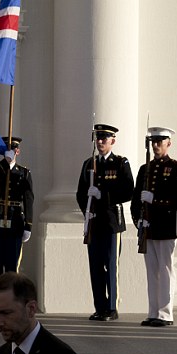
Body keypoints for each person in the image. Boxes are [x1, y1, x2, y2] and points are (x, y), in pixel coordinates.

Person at [129, 127, 177, 326]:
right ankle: (153, 312)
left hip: (166, 226)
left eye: (160, 141)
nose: (156, 145)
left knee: (165, 270)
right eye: (153, 141)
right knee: (152, 271)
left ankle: (165, 313)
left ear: (168, 143)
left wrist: (155, 200)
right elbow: (136, 199)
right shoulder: (144, 169)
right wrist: (138, 219)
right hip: (148, 227)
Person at [75, 123, 134, 321]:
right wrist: (87, 211)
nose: (100, 142)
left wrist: (104, 195)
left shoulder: (120, 163)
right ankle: (99, 306)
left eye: (104, 138)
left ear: (112, 141)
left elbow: (128, 190)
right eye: (98, 138)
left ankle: (112, 307)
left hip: (111, 222)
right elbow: (81, 192)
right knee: (95, 266)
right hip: (94, 222)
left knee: (111, 265)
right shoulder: (88, 164)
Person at [0, 136, 33, 278]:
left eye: (12, 149)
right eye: (6, 149)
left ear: (17, 151)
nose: (9, 152)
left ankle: (11, 299)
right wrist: (6, 164)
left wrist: (28, 225)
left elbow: (29, 199)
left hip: (15, 222)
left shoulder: (24, 173)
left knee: (12, 267)